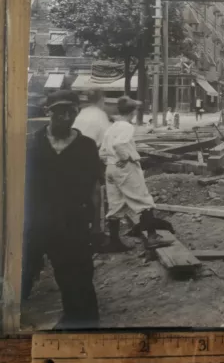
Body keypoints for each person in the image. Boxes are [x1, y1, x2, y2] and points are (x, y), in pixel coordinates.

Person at [23, 90, 101, 329]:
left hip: (73, 221)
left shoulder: (86, 146)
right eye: (59, 112)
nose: (65, 117)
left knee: (77, 273)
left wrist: (97, 225)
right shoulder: (33, 144)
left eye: (71, 112)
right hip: (36, 220)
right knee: (24, 270)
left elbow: (95, 188)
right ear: (49, 113)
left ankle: (81, 321)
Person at [100, 96, 172, 251]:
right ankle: (152, 237)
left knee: (115, 204)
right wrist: (126, 158)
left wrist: (111, 161)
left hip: (111, 168)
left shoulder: (112, 127)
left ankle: (114, 241)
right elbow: (119, 144)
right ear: (132, 112)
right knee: (143, 200)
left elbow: (102, 151)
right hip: (124, 168)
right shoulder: (126, 126)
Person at [72, 89, 111, 246]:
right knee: (96, 192)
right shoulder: (101, 116)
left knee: (76, 194)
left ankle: (77, 229)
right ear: (101, 99)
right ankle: (96, 230)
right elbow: (106, 142)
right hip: (90, 154)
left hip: (73, 153)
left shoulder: (82, 113)